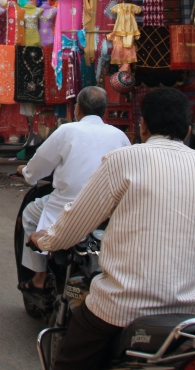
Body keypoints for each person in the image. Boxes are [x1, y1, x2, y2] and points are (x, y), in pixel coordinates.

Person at [29, 88, 195, 370]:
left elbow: (76, 221)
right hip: (190, 309)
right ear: (188, 130)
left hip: (122, 305)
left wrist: (45, 239)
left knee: (69, 361)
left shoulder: (122, 160)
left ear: (142, 126)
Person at [17, 86, 129, 292]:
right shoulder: (119, 136)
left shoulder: (67, 131)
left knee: (29, 215)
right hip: (108, 210)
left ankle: (39, 276)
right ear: (104, 111)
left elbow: (39, 164)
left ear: (78, 109)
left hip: (66, 207)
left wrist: (26, 173)